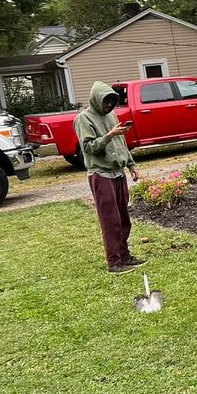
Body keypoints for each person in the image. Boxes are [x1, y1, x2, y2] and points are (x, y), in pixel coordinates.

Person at [74, 81, 144, 274]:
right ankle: (114, 262)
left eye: (112, 103)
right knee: (110, 219)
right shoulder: (83, 119)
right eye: (106, 102)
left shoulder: (111, 116)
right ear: (96, 100)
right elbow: (88, 147)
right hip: (101, 174)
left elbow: (121, 142)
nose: (109, 106)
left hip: (118, 173)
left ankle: (125, 256)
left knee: (123, 217)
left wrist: (131, 165)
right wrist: (109, 135)